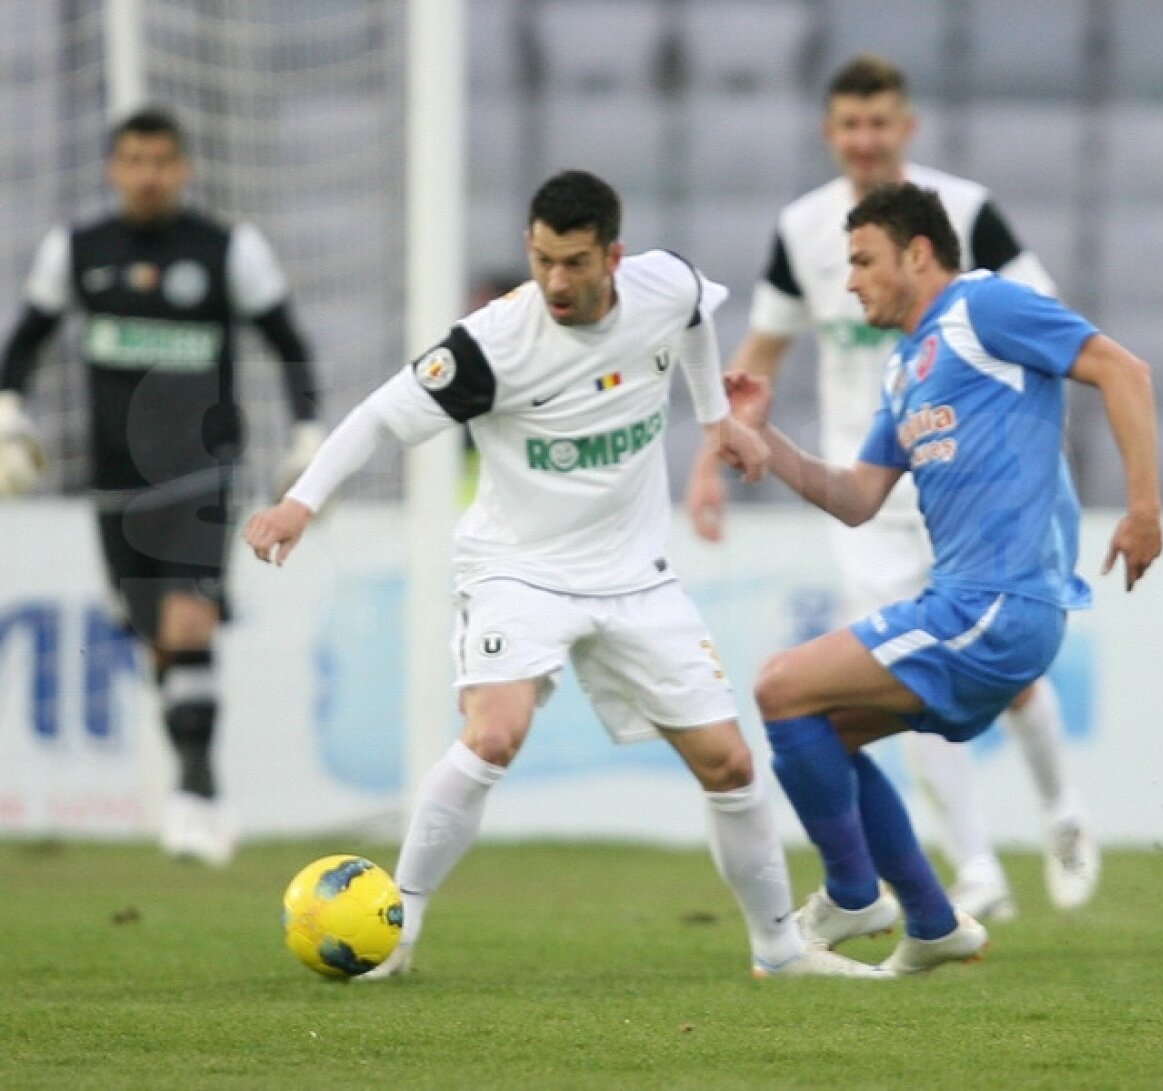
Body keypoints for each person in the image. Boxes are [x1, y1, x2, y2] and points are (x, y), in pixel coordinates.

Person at [245, 169, 889, 980]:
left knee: (729, 762)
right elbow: (378, 414)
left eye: (575, 262)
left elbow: (694, 316)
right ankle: (397, 933)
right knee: (494, 732)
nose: (555, 279)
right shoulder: (490, 344)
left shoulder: (665, 284)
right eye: (543, 258)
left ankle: (778, 950)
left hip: (633, 574)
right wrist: (300, 504)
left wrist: (716, 419)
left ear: (613, 256)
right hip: (519, 568)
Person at [687, 53, 1099, 920]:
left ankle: (1061, 812)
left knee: (1002, 673)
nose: (866, 140)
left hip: (977, 490)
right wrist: (713, 462)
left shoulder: (965, 215)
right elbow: (760, 352)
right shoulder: (806, 230)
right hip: (871, 484)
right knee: (892, 681)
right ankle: (976, 865)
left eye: (881, 124)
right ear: (829, 133)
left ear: (905, 128)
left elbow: (1054, 339)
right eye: (850, 125)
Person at [724, 181, 1161, 973]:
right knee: (815, 729)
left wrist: (1142, 508)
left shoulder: (984, 307)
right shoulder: (905, 369)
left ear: (917, 252)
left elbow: (1124, 370)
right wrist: (766, 441)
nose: (850, 279)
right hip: (965, 605)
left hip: (999, 603)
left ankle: (856, 894)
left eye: (862, 260)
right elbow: (858, 497)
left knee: (780, 686)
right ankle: (929, 921)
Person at [0, 105, 323, 865]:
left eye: (161, 161)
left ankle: (195, 796)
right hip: (113, 481)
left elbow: (289, 344)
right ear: (114, 169)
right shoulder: (76, 251)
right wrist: (9, 418)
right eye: (134, 161)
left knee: (187, 624)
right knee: (159, 644)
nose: (148, 175)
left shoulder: (227, 251)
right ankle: (200, 786)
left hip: (203, 471)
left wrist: (308, 432)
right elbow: (21, 351)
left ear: (184, 169)